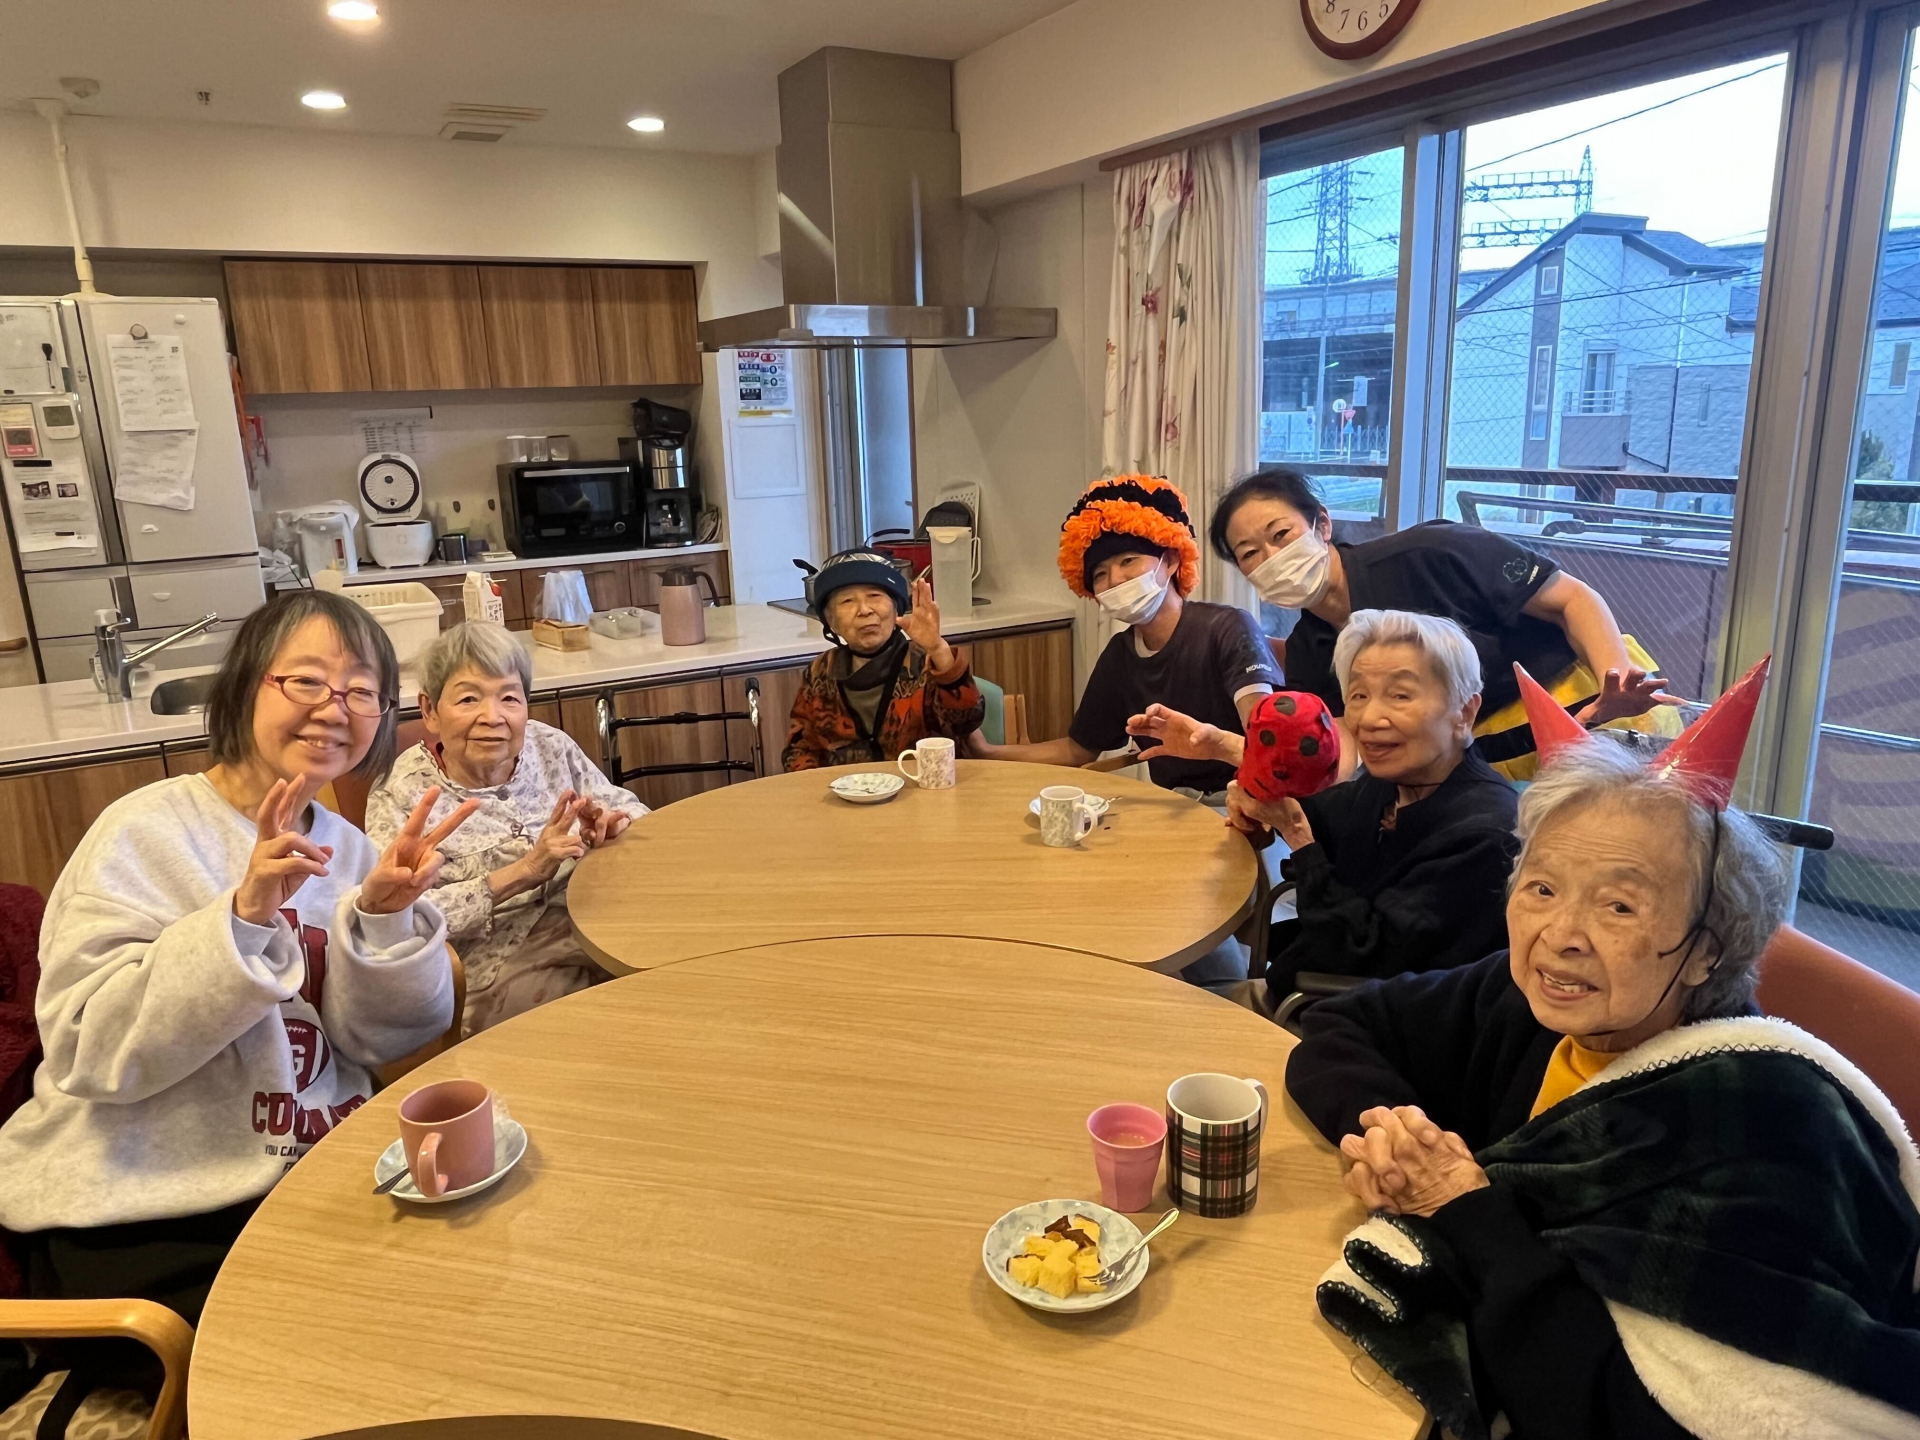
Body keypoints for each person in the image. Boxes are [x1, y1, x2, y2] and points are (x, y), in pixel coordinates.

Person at [1285, 672, 1920, 1440]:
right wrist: (1400, 1140)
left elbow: (1622, 1416)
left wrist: (1460, 1209)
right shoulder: (1533, 999)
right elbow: (1339, 1027)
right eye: (1542, 889)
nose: (1561, 935)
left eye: (1619, 905)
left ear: (1707, 950)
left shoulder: (1758, 1130)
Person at [0, 591, 473, 1413]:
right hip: (144, 1207)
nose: (336, 708)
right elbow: (87, 1048)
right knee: (354, 1368)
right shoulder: (143, 831)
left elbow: (380, 1040)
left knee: (477, 1289)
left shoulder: (349, 847)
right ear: (247, 684)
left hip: (307, 1180)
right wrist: (243, 917)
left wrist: (384, 919)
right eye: (308, 681)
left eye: (362, 690)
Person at [1210, 466, 1681, 778]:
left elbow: (1572, 599)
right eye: (1250, 553)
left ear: (1322, 525)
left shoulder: (1431, 554)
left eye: (1282, 534)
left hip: (1590, 709)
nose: (1273, 558)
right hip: (1487, 760)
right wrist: (1253, 766)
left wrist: (1617, 682)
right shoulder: (1310, 653)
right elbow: (1343, 743)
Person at [1183, 610, 1518, 1005]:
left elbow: (1369, 954)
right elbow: (1322, 813)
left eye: (1400, 695)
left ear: (1465, 712)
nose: (1369, 719)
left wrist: (1296, 834)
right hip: (1309, 981)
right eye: (1359, 695)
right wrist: (1261, 804)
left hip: (1351, 1017)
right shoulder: (1394, 781)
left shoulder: (1487, 836)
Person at [366, 622, 649, 1036]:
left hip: (596, 921)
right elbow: (396, 919)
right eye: (468, 698)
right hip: (496, 965)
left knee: (682, 968)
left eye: (510, 698)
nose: (493, 717)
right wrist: (523, 872)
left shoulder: (549, 746)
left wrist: (612, 822)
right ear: (429, 710)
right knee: (602, 1027)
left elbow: (633, 809)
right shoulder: (401, 793)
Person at [971, 474, 1282, 797]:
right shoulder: (1121, 656)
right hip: (1173, 806)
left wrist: (1216, 747)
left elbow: (1267, 742)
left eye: (1128, 560)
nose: (1115, 580)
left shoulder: (1228, 628)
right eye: (1100, 574)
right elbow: (1078, 750)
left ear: (1171, 560)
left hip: (1248, 803)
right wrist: (986, 753)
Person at [783, 550, 984, 770]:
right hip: (844, 789)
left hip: (922, 785)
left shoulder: (926, 662)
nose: (864, 610)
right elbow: (800, 749)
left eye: (874, 596)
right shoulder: (820, 671)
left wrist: (937, 648)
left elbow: (966, 721)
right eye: (847, 601)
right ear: (831, 621)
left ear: (896, 608)